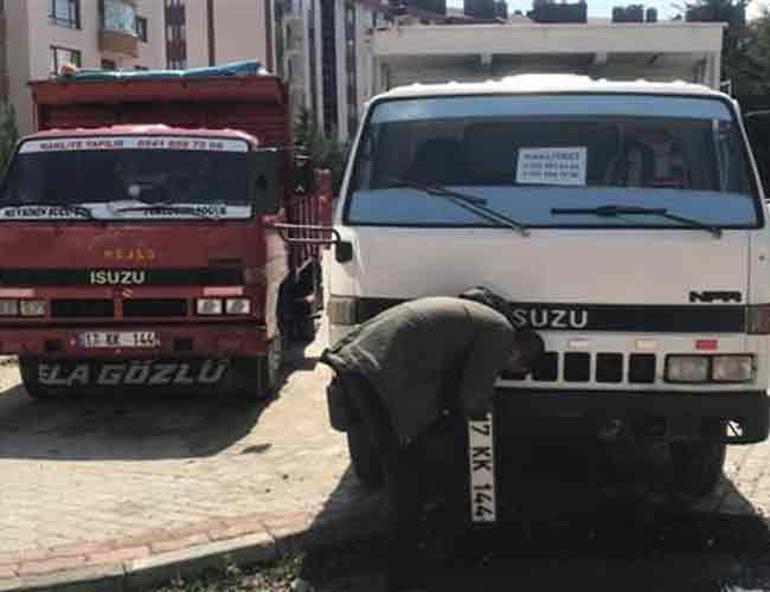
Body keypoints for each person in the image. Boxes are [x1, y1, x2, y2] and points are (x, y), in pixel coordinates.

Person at [321, 287, 544, 591]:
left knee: (407, 465)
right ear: (519, 353)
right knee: (403, 476)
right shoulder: (500, 332)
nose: (504, 372)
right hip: (376, 373)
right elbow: (473, 398)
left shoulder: (475, 321)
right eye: (514, 370)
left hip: (362, 362)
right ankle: (402, 574)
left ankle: (408, 555)